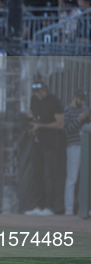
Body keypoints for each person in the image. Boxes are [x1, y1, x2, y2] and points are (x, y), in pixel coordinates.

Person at [24, 82, 64, 216]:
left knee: (49, 175)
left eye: (40, 91)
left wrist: (41, 126)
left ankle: (50, 206)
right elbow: (31, 114)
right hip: (37, 142)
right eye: (35, 92)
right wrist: (32, 125)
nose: (38, 94)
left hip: (50, 143)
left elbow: (59, 124)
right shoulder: (34, 99)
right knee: (37, 174)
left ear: (45, 89)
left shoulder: (54, 101)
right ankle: (39, 205)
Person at [63, 89, 90, 216]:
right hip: (73, 146)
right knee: (72, 178)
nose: (82, 102)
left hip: (86, 146)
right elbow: (66, 130)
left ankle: (84, 208)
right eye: (80, 99)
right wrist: (79, 120)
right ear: (75, 97)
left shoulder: (85, 108)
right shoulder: (67, 110)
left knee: (86, 178)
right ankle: (69, 208)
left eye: (84, 99)